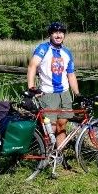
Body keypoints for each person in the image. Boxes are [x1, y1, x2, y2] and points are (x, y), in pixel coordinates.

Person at [27, 22, 80, 155]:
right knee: (51, 127)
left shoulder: (66, 52)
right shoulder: (43, 48)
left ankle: (59, 154)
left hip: (64, 94)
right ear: (50, 35)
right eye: (55, 32)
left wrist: (77, 93)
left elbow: (71, 74)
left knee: (62, 125)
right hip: (48, 93)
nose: (58, 35)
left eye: (61, 33)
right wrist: (31, 88)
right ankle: (47, 155)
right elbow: (32, 66)